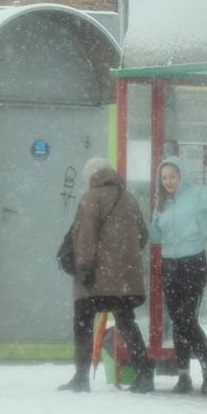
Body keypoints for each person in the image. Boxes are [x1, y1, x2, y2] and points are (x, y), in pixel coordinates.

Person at [148, 156, 207, 394]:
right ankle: (183, 377)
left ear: (182, 176)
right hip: (169, 265)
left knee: (188, 318)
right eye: (164, 177)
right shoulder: (163, 202)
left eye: (172, 177)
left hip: (193, 264)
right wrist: (150, 227)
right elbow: (156, 236)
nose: (168, 182)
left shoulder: (199, 194)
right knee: (178, 320)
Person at [62, 158, 152, 393]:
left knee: (82, 324)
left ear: (92, 176)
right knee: (126, 322)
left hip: (95, 278)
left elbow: (85, 238)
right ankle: (144, 373)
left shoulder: (91, 198)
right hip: (124, 279)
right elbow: (143, 235)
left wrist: (84, 268)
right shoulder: (129, 199)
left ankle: (81, 378)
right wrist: (123, 260)